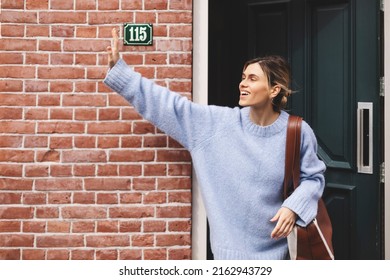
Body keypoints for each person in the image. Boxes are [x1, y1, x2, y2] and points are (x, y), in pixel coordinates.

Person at [104, 29, 326, 260]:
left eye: (252, 79)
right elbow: (170, 106)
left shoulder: (298, 131)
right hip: (228, 259)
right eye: (243, 77)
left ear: (274, 90)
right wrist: (122, 74)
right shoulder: (215, 125)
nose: (242, 84)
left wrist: (293, 207)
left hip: (281, 254)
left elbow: (314, 178)